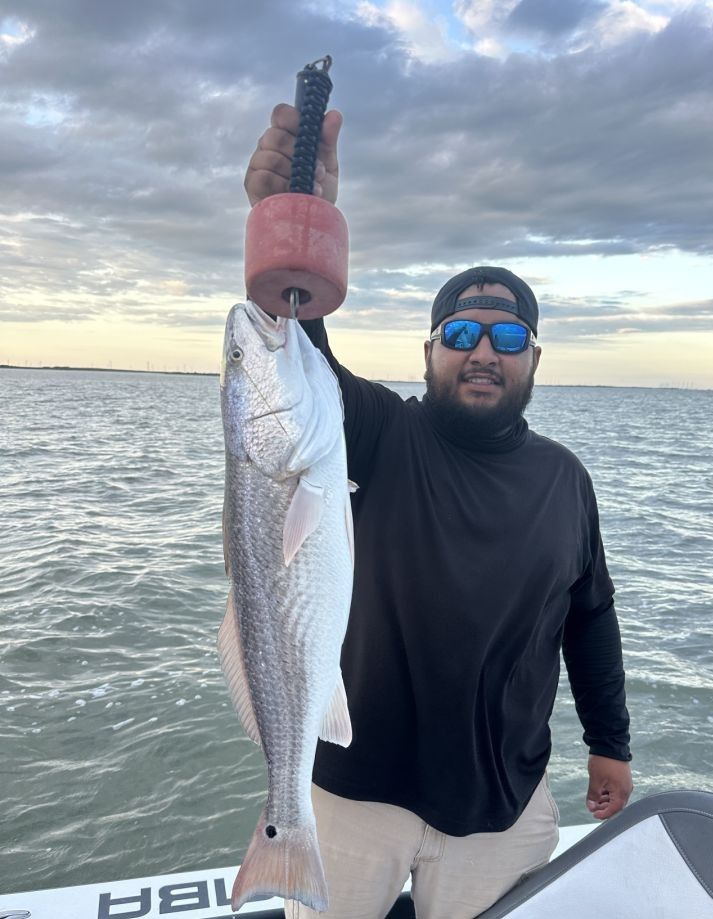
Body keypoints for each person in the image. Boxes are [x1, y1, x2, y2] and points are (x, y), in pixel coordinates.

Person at [244, 104, 633, 919]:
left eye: (507, 336)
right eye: (460, 330)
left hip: (503, 804)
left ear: (533, 359)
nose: (483, 350)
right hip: (351, 794)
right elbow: (294, 360)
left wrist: (610, 745)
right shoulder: (380, 434)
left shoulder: (565, 479)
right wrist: (292, 230)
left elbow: (590, 616)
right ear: (429, 352)